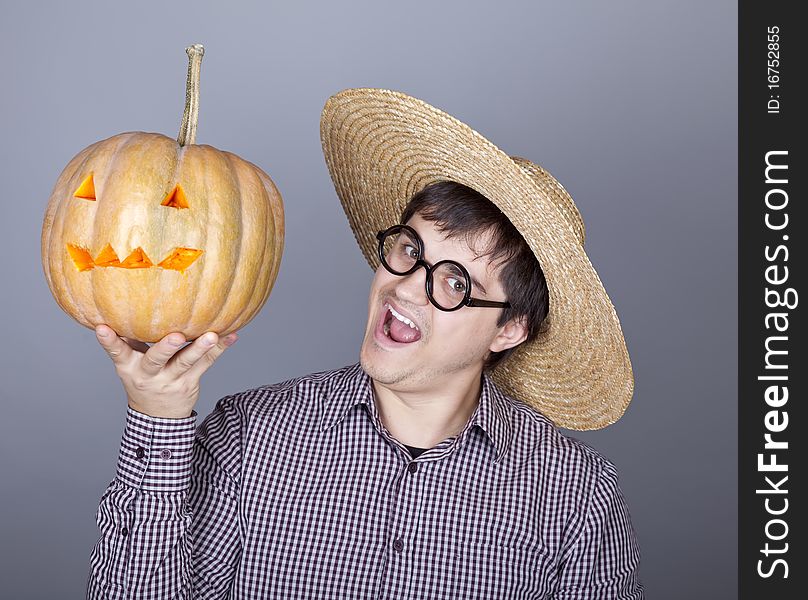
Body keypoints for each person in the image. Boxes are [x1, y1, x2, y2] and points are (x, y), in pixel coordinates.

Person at [87, 88, 643, 599]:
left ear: (509, 329)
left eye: (454, 283)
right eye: (409, 249)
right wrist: (158, 417)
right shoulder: (248, 435)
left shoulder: (576, 498)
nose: (404, 287)